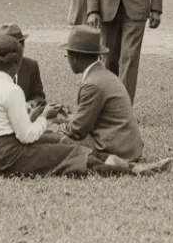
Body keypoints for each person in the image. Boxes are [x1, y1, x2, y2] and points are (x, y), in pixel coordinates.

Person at [0, 35, 144, 177]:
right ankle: (125, 169)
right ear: (16, 64)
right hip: (8, 157)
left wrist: (40, 119)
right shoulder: (12, 90)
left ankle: (112, 162)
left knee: (54, 140)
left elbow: (5, 127)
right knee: (67, 153)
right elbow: (26, 136)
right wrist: (44, 117)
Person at [60, 25, 155, 164]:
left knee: (58, 144)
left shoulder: (92, 83)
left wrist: (58, 123)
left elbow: (78, 130)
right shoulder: (105, 75)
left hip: (115, 150)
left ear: (74, 57)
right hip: (128, 147)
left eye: (67, 55)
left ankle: (110, 162)